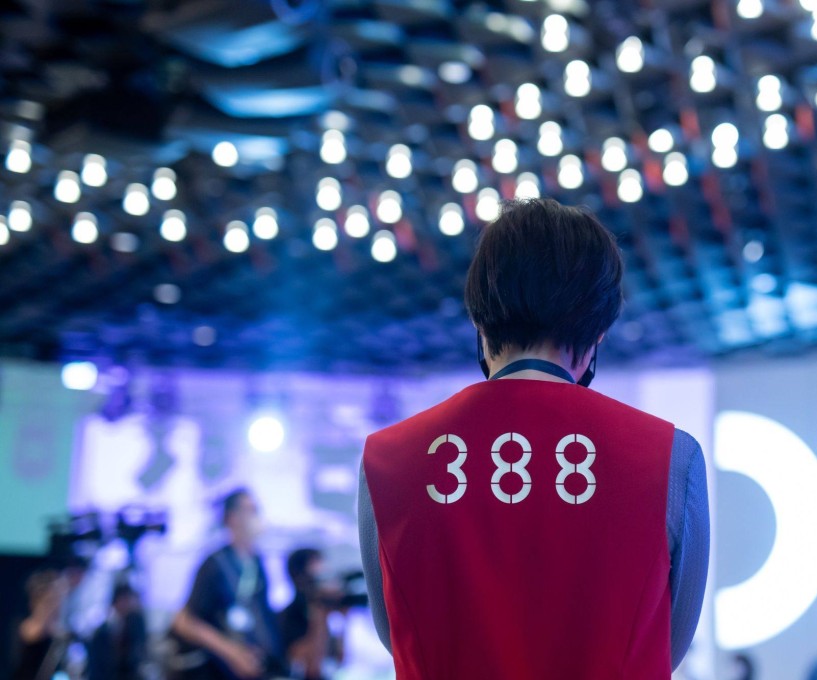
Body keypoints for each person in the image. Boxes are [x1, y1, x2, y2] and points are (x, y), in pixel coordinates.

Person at [359, 198, 710, 679]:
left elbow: (394, 633)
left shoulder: (386, 461)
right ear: (598, 337)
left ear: (480, 324)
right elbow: (667, 645)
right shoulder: (671, 458)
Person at [169, 488, 285, 680]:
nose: (257, 517)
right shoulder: (216, 564)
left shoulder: (257, 562)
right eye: (251, 510)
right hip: (219, 670)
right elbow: (186, 621)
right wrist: (232, 653)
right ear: (232, 518)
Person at [278, 548, 345, 679]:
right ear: (300, 577)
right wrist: (319, 615)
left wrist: (343, 618)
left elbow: (339, 659)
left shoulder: (327, 611)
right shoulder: (289, 615)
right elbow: (311, 669)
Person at [12, 569, 70, 680]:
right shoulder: (25, 626)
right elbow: (34, 634)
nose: (56, 604)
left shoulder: (58, 633)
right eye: (50, 600)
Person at [88, 581, 147, 680]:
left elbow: (139, 652)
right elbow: (97, 663)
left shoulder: (135, 624)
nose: (126, 604)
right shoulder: (103, 629)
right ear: (115, 601)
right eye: (123, 599)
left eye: (128, 599)